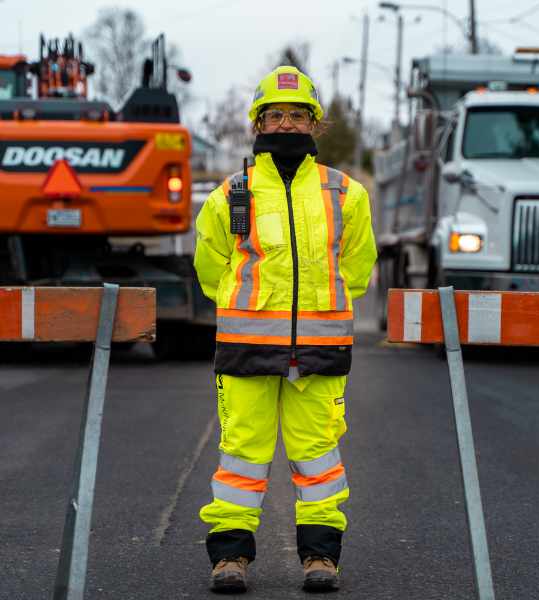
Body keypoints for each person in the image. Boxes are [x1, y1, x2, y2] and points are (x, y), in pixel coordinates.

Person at [194, 65, 377, 593]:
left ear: (315, 125)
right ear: (257, 122)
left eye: (298, 115)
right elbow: (212, 267)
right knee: (242, 457)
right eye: (275, 114)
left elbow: (357, 269)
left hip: (319, 352)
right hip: (247, 349)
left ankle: (321, 559)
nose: (287, 124)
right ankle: (230, 560)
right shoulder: (232, 193)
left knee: (318, 456)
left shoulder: (348, 195)